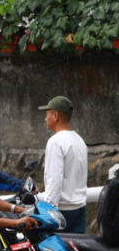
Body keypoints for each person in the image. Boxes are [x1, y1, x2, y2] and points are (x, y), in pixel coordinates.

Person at [39, 96, 88, 233]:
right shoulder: (79, 140)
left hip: (62, 211)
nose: (45, 119)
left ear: (55, 116)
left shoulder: (55, 142)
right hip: (80, 207)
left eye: (47, 115)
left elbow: (54, 179)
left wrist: (48, 210)